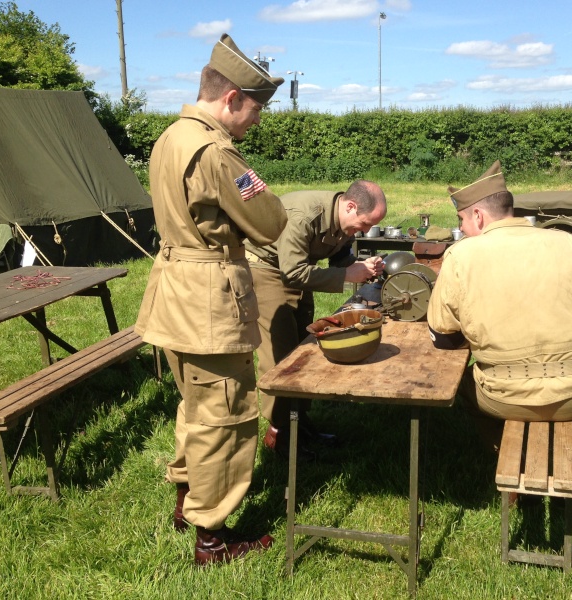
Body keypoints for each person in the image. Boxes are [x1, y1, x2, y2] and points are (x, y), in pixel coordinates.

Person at [134, 33, 287, 565]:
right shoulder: (218, 152)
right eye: (255, 110)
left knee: (196, 407)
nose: (256, 122)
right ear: (231, 99)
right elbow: (270, 222)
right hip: (208, 302)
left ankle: (185, 505)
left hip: (175, 290)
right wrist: (259, 188)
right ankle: (211, 538)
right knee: (228, 414)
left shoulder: (168, 137)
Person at [426, 160, 572, 489]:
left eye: (462, 220)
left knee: (465, 389)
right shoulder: (568, 242)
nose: (462, 229)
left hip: (502, 397)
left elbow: (441, 335)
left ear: (479, 217)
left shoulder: (461, 254)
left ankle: (505, 455)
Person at [244, 182, 387, 459]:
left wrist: (362, 267)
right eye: (364, 225)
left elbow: (339, 256)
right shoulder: (303, 216)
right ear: (350, 206)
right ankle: (279, 434)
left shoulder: (344, 220)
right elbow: (292, 273)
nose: (366, 232)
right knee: (281, 358)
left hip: (297, 269)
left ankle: (301, 423)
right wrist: (347, 276)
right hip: (266, 270)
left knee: (305, 349)